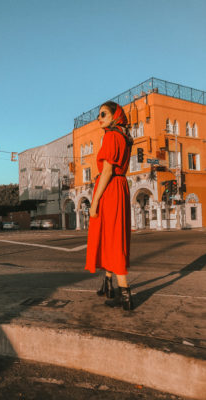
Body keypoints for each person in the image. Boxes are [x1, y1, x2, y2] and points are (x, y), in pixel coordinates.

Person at [85, 101, 134, 310]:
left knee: (112, 239)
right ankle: (107, 284)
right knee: (111, 236)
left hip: (110, 189)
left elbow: (106, 171)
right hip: (119, 187)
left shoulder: (112, 136)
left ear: (115, 116)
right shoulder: (123, 136)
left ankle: (125, 294)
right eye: (98, 115)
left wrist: (94, 202)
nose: (99, 118)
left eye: (103, 114)